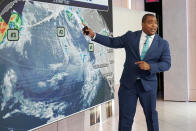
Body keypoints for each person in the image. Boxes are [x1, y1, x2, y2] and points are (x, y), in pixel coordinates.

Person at [82, 14, 171, 131]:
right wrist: (93, 35)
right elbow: (112, 42)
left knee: (151, 117)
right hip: (128, 85)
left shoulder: (163, 43)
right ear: (143, 24)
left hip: (149, 86)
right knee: (125, 118)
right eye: (150, 22)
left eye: (156, 22)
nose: (154, 25)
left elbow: (166, 64)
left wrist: (150, 66)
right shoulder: (130, 37)